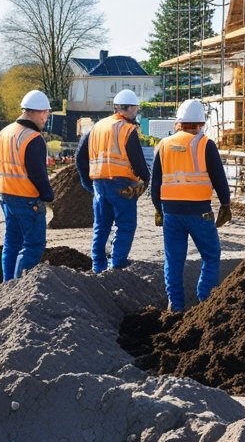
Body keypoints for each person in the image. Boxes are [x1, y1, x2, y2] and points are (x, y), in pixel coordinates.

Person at [151, 98, 231, 313]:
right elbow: (219, 178)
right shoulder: (205, 144)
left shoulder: (164, 145)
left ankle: (175, 306)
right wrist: (225, 203)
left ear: (179, 122)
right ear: (201, 124)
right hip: (199, 211)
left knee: (174, 260)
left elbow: (155, 182)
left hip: (171, 213)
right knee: (211, 255)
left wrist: (158, 208)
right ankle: (205, 300)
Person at [76, 89, 151, 273]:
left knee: (101, 227)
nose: (136, 112)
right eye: (135, 108)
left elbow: (80, 156)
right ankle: (116, 265)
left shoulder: (97, 127)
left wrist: (88, 184)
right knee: (125, 225)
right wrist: (146, 180)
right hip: (122, 184)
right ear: (130, 108)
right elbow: (137, 160)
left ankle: (98, 268)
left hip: (100, 185)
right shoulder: (127, 129)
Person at [0, 89, 55, 281]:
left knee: (12, 242)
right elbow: (37, 172)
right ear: (32, 112)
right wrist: (48, 195)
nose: (46, 116)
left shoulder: (5, 132)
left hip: (4, 194)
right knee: (33, 245)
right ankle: (21, 288)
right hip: (26, 198)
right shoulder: (32, 138)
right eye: (44, 112)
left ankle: (8, 285)